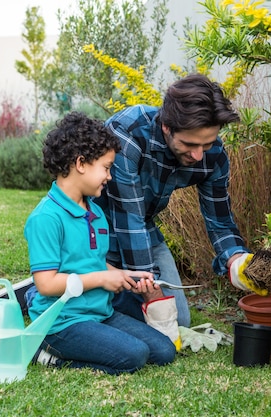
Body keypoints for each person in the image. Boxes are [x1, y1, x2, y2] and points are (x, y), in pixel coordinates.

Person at [24, 111, 176, 375]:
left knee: (164, 351)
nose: (109, 176)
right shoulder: (46, 218)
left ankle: (90, 341)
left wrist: (121, 274)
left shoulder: (95, 211)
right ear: (81, 163)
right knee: (135, 356)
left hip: (99, 312)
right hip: (61, 322)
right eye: (106, 168)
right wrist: (102, 279)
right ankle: (47, 354)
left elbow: (92, 261)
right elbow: (46, 284)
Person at [93, 74, 251, 328]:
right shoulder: (129, 134)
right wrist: (152, 294)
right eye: (189, 144)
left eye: (207, 144)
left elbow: (220, 221)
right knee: (128, 312)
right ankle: (62, 276)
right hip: (94, 229)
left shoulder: (213, 156)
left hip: (144, 228)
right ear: (167, 126)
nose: (199, 155)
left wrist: (237, 261)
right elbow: (128, 220)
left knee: (180, 322)